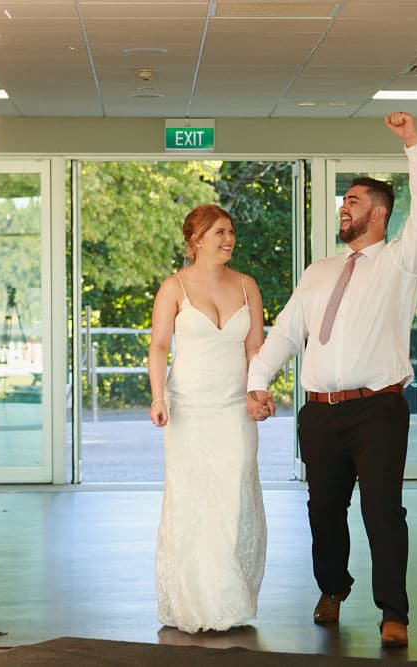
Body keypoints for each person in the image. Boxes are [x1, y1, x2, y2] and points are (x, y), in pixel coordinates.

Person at [246, 112, 417, 649]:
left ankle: (393, 613)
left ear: (378, 215)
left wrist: (412, 144)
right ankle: (332, 587)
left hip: (377, 410)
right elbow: (286, 332)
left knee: (383, 512)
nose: (343, 207)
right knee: (323, 509)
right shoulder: (319, 271)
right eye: (343, 201)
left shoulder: (402, 262)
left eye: (353, 201)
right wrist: (257, 380)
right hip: (321, 413)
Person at [148, 204, 268, 633]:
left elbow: (256, 348)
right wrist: (157, 396)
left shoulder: (247, 286)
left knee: (233, 497)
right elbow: (160, 346)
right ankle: (196, 602)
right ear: (195, 240)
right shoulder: (174, 287)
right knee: (192, 501)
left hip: (235, 409)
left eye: (231, 231)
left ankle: (230, 597)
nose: (228, 239)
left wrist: (259, 392)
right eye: (219, 232)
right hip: (189, 411)